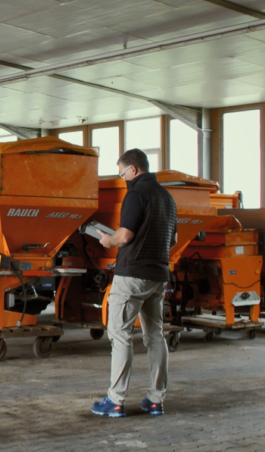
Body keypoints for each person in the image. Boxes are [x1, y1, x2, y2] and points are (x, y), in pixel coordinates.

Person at [91, 149, 177, 418]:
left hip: (132, 277)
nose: (122, 177)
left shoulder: (136, 194)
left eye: (122, 172)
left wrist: (108, 239)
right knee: (155, 336)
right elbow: (172, 240)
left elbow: (124, 236)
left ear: (134, 170)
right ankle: (155, 399)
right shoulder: (167, 198)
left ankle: (115, 400)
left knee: (120, 336)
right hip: (158, 276)